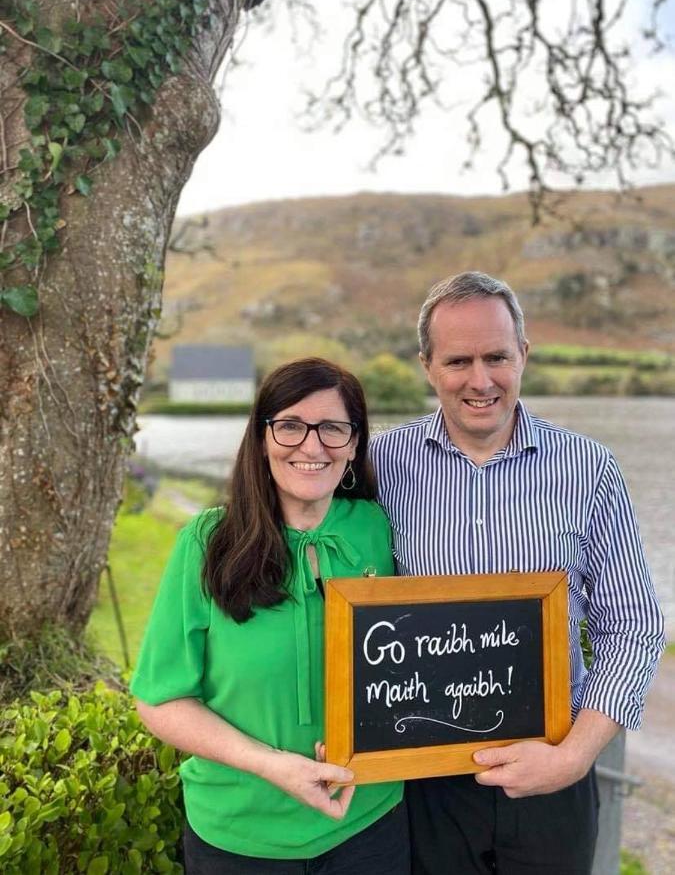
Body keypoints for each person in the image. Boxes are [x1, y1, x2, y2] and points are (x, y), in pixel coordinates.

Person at [370, 271, 665, 875]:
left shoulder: (588, 467)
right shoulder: (379, 464)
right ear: (427, 366)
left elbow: (634, 625)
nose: (480, 380)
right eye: (458, 360)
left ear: (523, 355)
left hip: (554, 778)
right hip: (427, 784)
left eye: (497, 356)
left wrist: (576, 756)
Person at [131, 358, 408, 874]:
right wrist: (272, 766)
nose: (311, 445)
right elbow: (161, 698)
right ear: (262, 438)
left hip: (369, 825)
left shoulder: (379, 527)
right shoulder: (207, 543)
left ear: (353, 444)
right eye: (290, 426)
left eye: (332, 428)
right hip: (238, 836)